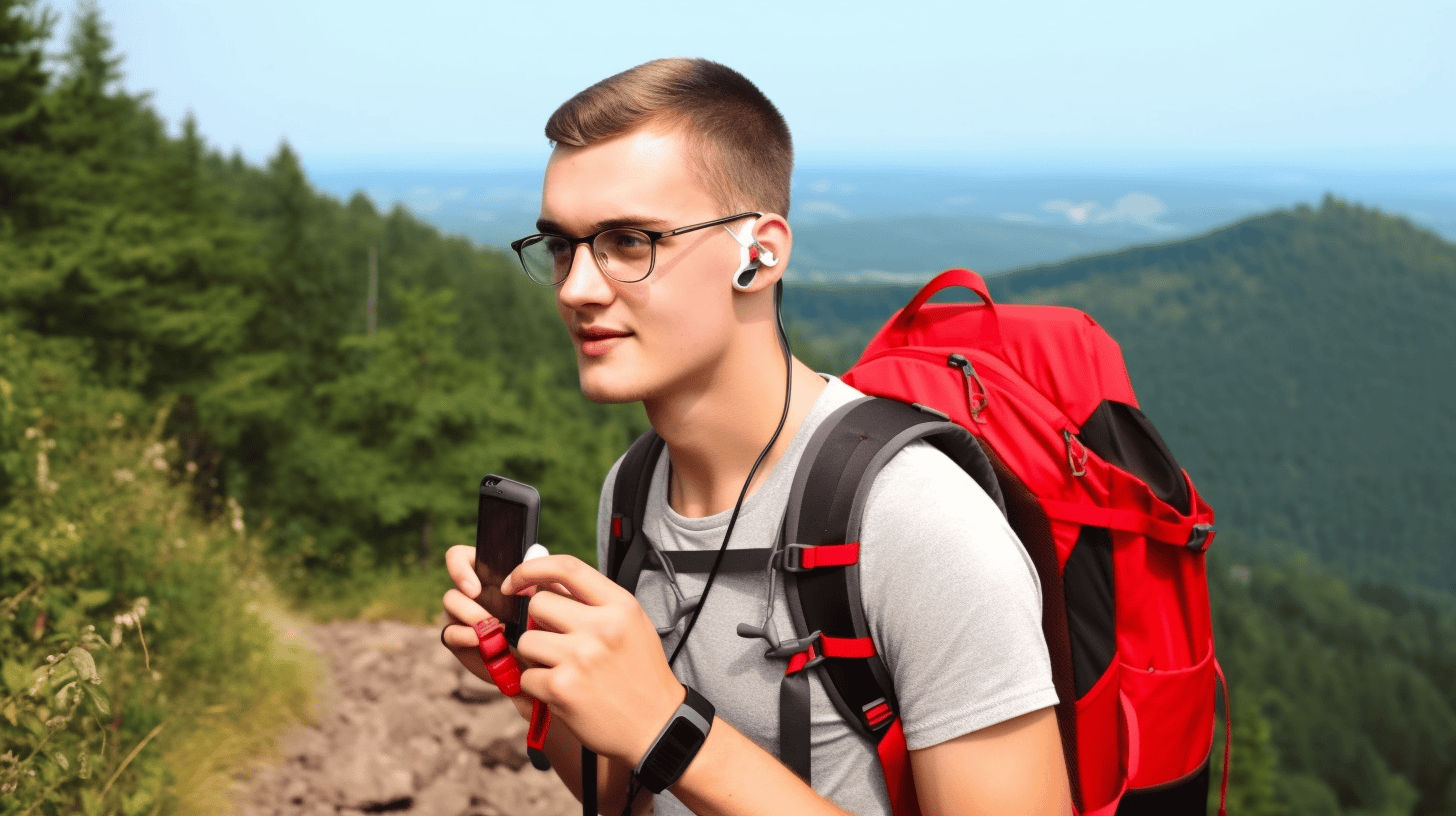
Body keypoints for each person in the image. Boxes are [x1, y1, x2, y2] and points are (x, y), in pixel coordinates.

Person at [442, 58, 1069, 816]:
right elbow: (637, 796)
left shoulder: (916, 520)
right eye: (563, 246)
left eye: (629, 242)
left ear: (760, 253)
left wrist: (667, 726)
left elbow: (668, 744)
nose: (576, 287)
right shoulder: (635, 485)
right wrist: (535, 685)